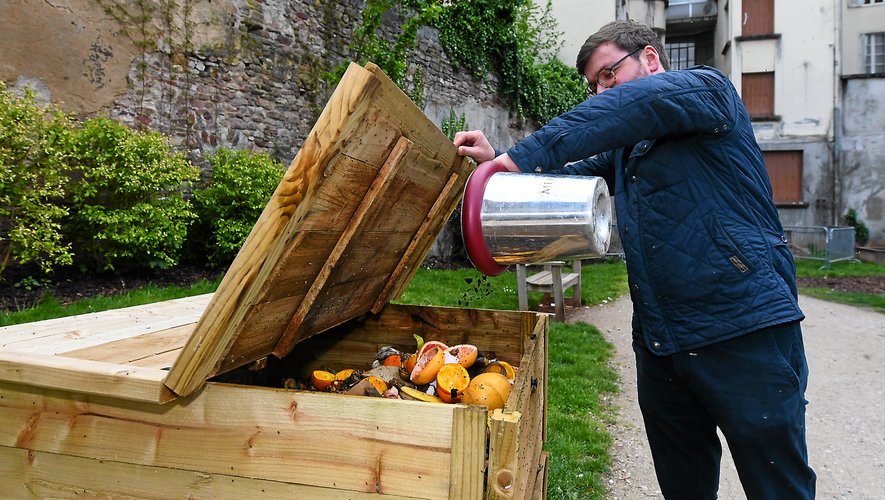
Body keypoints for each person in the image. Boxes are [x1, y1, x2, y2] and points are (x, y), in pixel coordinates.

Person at [454, 20, 816, 500]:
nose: (600, 92)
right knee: (684, 488)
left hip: (743, 330)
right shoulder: (627, 150)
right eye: (593, 86)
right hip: (663, 344)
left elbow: (635, 104)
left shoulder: (710, 91)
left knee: (778, 487)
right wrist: (498, 159)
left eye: (607, 75)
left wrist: (519, 155)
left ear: (650, 58)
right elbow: (566, 176)